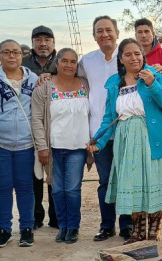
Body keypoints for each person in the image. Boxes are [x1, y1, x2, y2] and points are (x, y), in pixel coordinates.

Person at [89, 39, 162, 243]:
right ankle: (137, 231)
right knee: (133, 184)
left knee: (153, 182)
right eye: (128, 54)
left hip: (152, 138)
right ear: (120, 59)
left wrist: (152, 84)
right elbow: (109, 118)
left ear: (143, 55)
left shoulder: (154, 76)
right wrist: (99, 142)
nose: (134, 58)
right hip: (126, 141)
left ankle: (153, 231)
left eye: (137, 53)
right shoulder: (114, 83)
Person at [0, 40, 39, 249]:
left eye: (16, 52)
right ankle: (4, 229)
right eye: (6, 52)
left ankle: (27, 228)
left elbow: (39, 111)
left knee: (25, 187)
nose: (12, 56)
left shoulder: (34, 79)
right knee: (2, 188)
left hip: (26, 143)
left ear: (22, 55)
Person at [78, 16, 134, 241]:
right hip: (99, 132)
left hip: (126, 130)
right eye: (99, 31)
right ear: (94, 36)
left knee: (127, 180)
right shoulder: (87, 61)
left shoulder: (127, 58)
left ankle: (127, 225)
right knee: (105, 181)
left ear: (117, 32)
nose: (104, 35)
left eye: (109, 30)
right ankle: (107, 225)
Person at [32, 48, 91, 244]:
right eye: (64, 61)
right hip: (53, 148)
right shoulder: (44, 87)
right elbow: (37, 119)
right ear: (56, 63)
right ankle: (62, 225)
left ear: (77, 65)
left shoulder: (85, 84)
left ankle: (73, 227)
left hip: (79, 147)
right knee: (57, 189)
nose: (68, 65)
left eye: (73, 61)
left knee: (73, 189)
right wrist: (41, 147)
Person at [22, 25, 58, 229]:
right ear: (33, 42)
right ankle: (35, 217)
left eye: (47, 39)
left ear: (53, 43)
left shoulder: (61, 62)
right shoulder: (23, 63)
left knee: (54, 176)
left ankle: (55, 217)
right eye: (38, 40)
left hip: (56, 126)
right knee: (33, 177)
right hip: (30, 125)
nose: (43, 43)